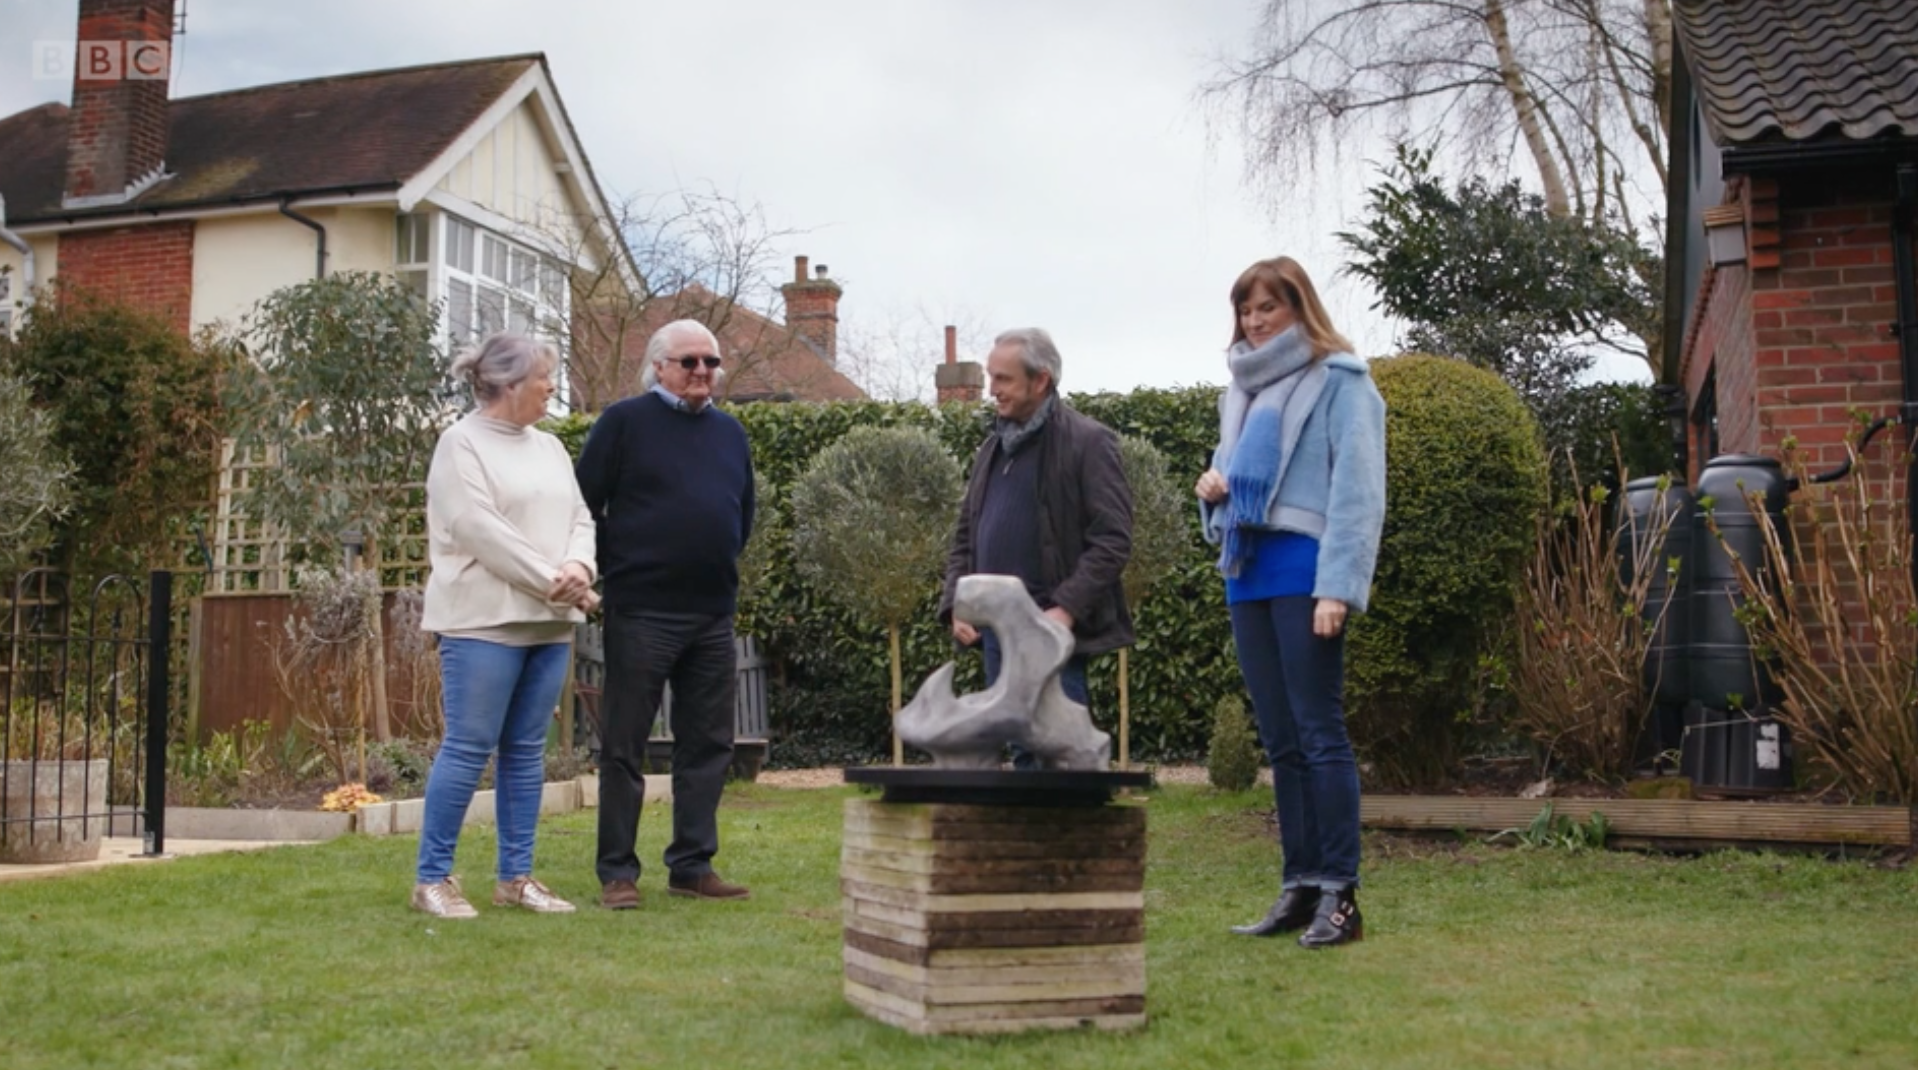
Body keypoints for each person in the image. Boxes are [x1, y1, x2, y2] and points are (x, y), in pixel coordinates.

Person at [1197, 257, 1386, 949]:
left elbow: (1359, 493)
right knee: (1281, 742)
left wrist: (1337, 586)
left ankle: (1341, 894)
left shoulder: (1342, 381)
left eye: (1267, 308)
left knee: (1318, 733)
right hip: (1246, 570)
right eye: (1245, 310)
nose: (1254, 321)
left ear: (1299, 307)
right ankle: (1299, 885)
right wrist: (1213, 496)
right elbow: (1239, 490)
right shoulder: (1237, 393)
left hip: (1308, 571)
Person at [414, 332, 599, 919]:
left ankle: (515, 878)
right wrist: (555, 579)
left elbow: (579, 516)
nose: (552, 387)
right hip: (481, 624)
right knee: (468, 748)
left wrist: (577, 565)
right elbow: (479, 529)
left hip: (546, 625)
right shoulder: (460, 444)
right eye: (545, 377)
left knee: (524, 752)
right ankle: (431, 880)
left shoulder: (548, 448)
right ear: (509, 384)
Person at [576, 319, 755, 909]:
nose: (703, 371)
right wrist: (618, 567)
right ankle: (618, 873)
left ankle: (692, 864)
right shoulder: (622, 424)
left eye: (711, 362)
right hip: (642, 611)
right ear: (659, 366)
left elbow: (741, 514)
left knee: (707, 744)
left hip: (711, 614)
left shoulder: (731, 434)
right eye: (689, 362)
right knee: (625, 746)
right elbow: (583, 505)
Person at [939, 328, 1133, 766]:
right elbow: (966, 537)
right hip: (997, 635)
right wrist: (957, 604)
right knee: (1021, 754)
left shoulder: (1088, 442)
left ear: (1041, 380)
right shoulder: (992, 448)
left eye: (1003, 379)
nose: (992, 390)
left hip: (1051, 635)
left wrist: (1064, 610)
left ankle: (1075, 837)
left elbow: (1113, 539)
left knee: (1062, 759)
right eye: (992, 377)